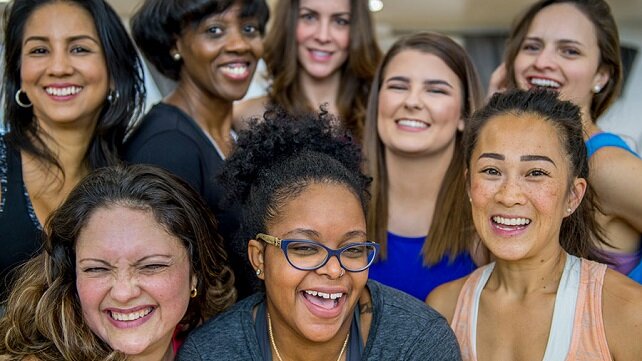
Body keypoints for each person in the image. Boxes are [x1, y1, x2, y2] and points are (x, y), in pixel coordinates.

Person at [177, 108, 462, 360]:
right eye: (304, 248)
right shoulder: (212, 352)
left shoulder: (417, 343)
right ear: (259, 258)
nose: (334, 269)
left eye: (352, 249)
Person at [427, 89, 642, 361]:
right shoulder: (444, 307)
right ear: (469, 185)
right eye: (491, 171)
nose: (509, 195)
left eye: (536, 173)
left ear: (573, 196)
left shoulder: (628, 312)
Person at [0, 165, 236, 360]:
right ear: (71, 277)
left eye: (151, 266)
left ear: (195, 271)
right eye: (97, 269)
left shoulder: (217, 346)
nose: (123, 293)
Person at [0, 0, 145, 301]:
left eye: (79, 49)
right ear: (19, 73)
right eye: (39, 50)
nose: (59, 68)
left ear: (113, 67)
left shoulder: (128, 180)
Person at [489, 0, 642, 280]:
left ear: (601, 75)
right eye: (532, 47)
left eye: (569, 51)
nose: (542, 62)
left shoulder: (605, 165)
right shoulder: (512, 159)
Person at [125, 0, 270, 297]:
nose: (239, 43)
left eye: (249, 28)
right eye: (214, 30)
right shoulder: (167, 146)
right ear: (174, 43)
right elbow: (161, 282)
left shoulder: (232, 133)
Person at [363, 32, 484, 301]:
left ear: (464, 115)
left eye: (436, 90)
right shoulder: (341, 199)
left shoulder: (487, 216)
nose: (412, 101)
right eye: (398, 86)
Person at [234, 0, 381, 140]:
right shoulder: (247, 116)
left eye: (340, 21)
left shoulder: (379, 117)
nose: (323, 36)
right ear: (288, 23)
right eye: (309, 17)